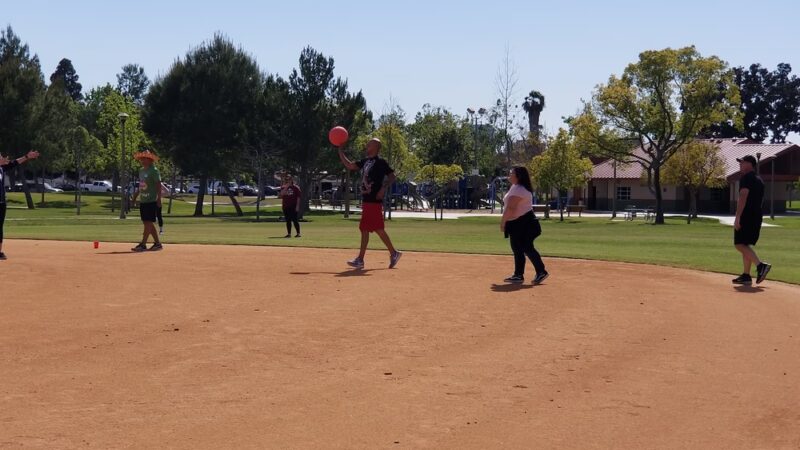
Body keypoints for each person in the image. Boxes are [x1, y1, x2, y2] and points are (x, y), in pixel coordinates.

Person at [338, 138, 402, 269]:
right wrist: (340, 151)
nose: (367, 145)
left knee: (373, 229)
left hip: (374, 201)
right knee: (369, 229)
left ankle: (387, 254)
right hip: (367, 200)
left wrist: (383, 188)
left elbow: (392, 177)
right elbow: (350, 165)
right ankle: (390, 254)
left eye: (370, 143)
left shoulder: (381, 162)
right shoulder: (365, 161)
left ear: (376, 147)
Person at [500, 166, 548, 284]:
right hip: (518, 224)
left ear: (518, 176)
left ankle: (541, 271)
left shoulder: (520, 189)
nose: (509, 174)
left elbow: (511, 208)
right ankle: (518, 275)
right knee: (517, 248)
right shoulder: (515, 187)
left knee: (526, 247)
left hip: (526, 223)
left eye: (512, 173)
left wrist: (503, 222)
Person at [732, 155, 771, 285]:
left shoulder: (746, 178)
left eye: (741, 162)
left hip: (747, 215)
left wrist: (737, 217)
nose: (740, 164)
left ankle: (760, 266)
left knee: (739, 244)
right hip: (756, 215)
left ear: (749, 164)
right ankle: (746, 275)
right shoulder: (759, 180)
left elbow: (743, 196)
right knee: (745, 244)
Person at [0, 150, 40, 260]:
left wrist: (27, 156)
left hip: (1, 202)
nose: (2, 157)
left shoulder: (2, 169)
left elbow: (14, 163)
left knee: (0, 227)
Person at [130, 150, 163, 252]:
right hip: (144, 200)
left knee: (148, 222)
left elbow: (158, 185)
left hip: (151, 200)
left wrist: (159, 198)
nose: (142, 160)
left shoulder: (154, 171)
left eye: (144, 159)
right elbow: (142, 185)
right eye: (141, 159)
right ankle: (157, 244)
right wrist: (135, 197)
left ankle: (143, 244)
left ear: (150, 160)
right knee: (147, 222)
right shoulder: (142, 171)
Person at [279, 174, 301, 238]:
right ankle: (289, 234)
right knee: (288, 220)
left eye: (289, 179)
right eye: (286, 179)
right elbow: (281, 194)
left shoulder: (296, 188)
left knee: (295, 220)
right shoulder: (283, 187)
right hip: (286, 206)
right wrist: (286, 186)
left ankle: (298, 233)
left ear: (291, 180)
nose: (287, 180)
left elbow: (298, 198)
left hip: (293, 206)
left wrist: (297, 206)